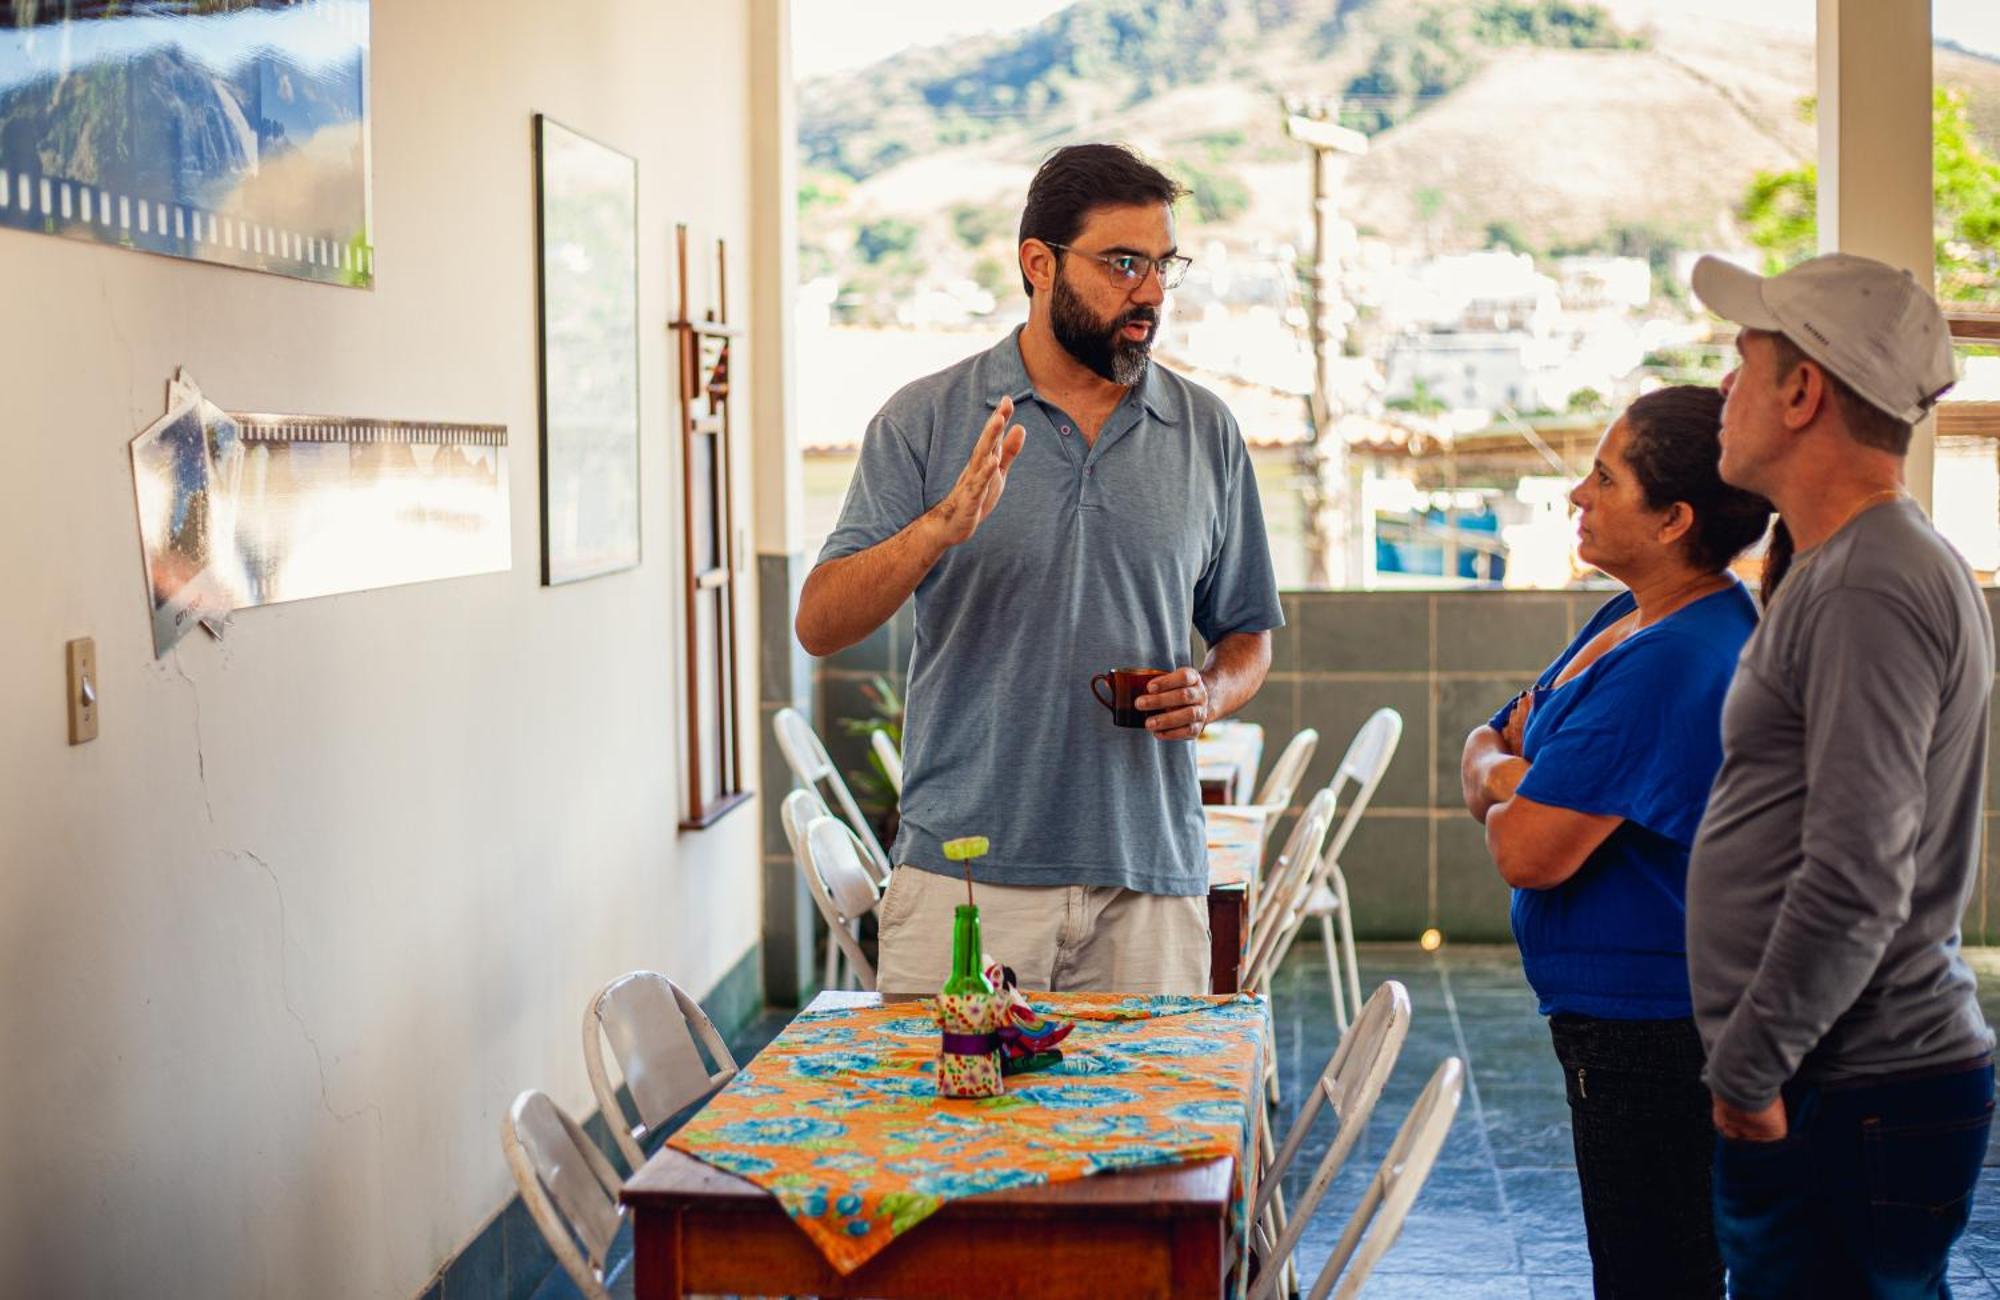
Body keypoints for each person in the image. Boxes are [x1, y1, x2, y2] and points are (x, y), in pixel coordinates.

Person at [795, 143, 1282, 996]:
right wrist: (937, 529)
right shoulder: (925, 421)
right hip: (967, 884)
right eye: (1124, 264)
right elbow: (819, 622)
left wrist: (1211, 691)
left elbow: (1248, 635)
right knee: (952, 1131)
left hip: (1151, 880)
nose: (1153, 293)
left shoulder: (1206, 433)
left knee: (1146, 1132)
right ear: (1038, 263)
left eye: (1165, 266)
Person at [1685, 251, 1993, 1297]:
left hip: (1850, 1082)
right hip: (1835, 1076)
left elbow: (1859, 872)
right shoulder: (1844, 564)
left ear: (1802, 390)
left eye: (1742, 360)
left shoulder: (1871, 579)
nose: (1722, 387)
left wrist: (1747, 1070)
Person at [1461, 385, 1770, 1296]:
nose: (1576, 495)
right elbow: (1489, 739)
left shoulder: (1679, 655)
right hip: (1617, 1020)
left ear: (1674, 518)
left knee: (1653, 1273)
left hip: (1653, 1030)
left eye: (1604, 477)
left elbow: (1526, 850)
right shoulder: (1631, 617)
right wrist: (1509, 775)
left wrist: (1509, 779)